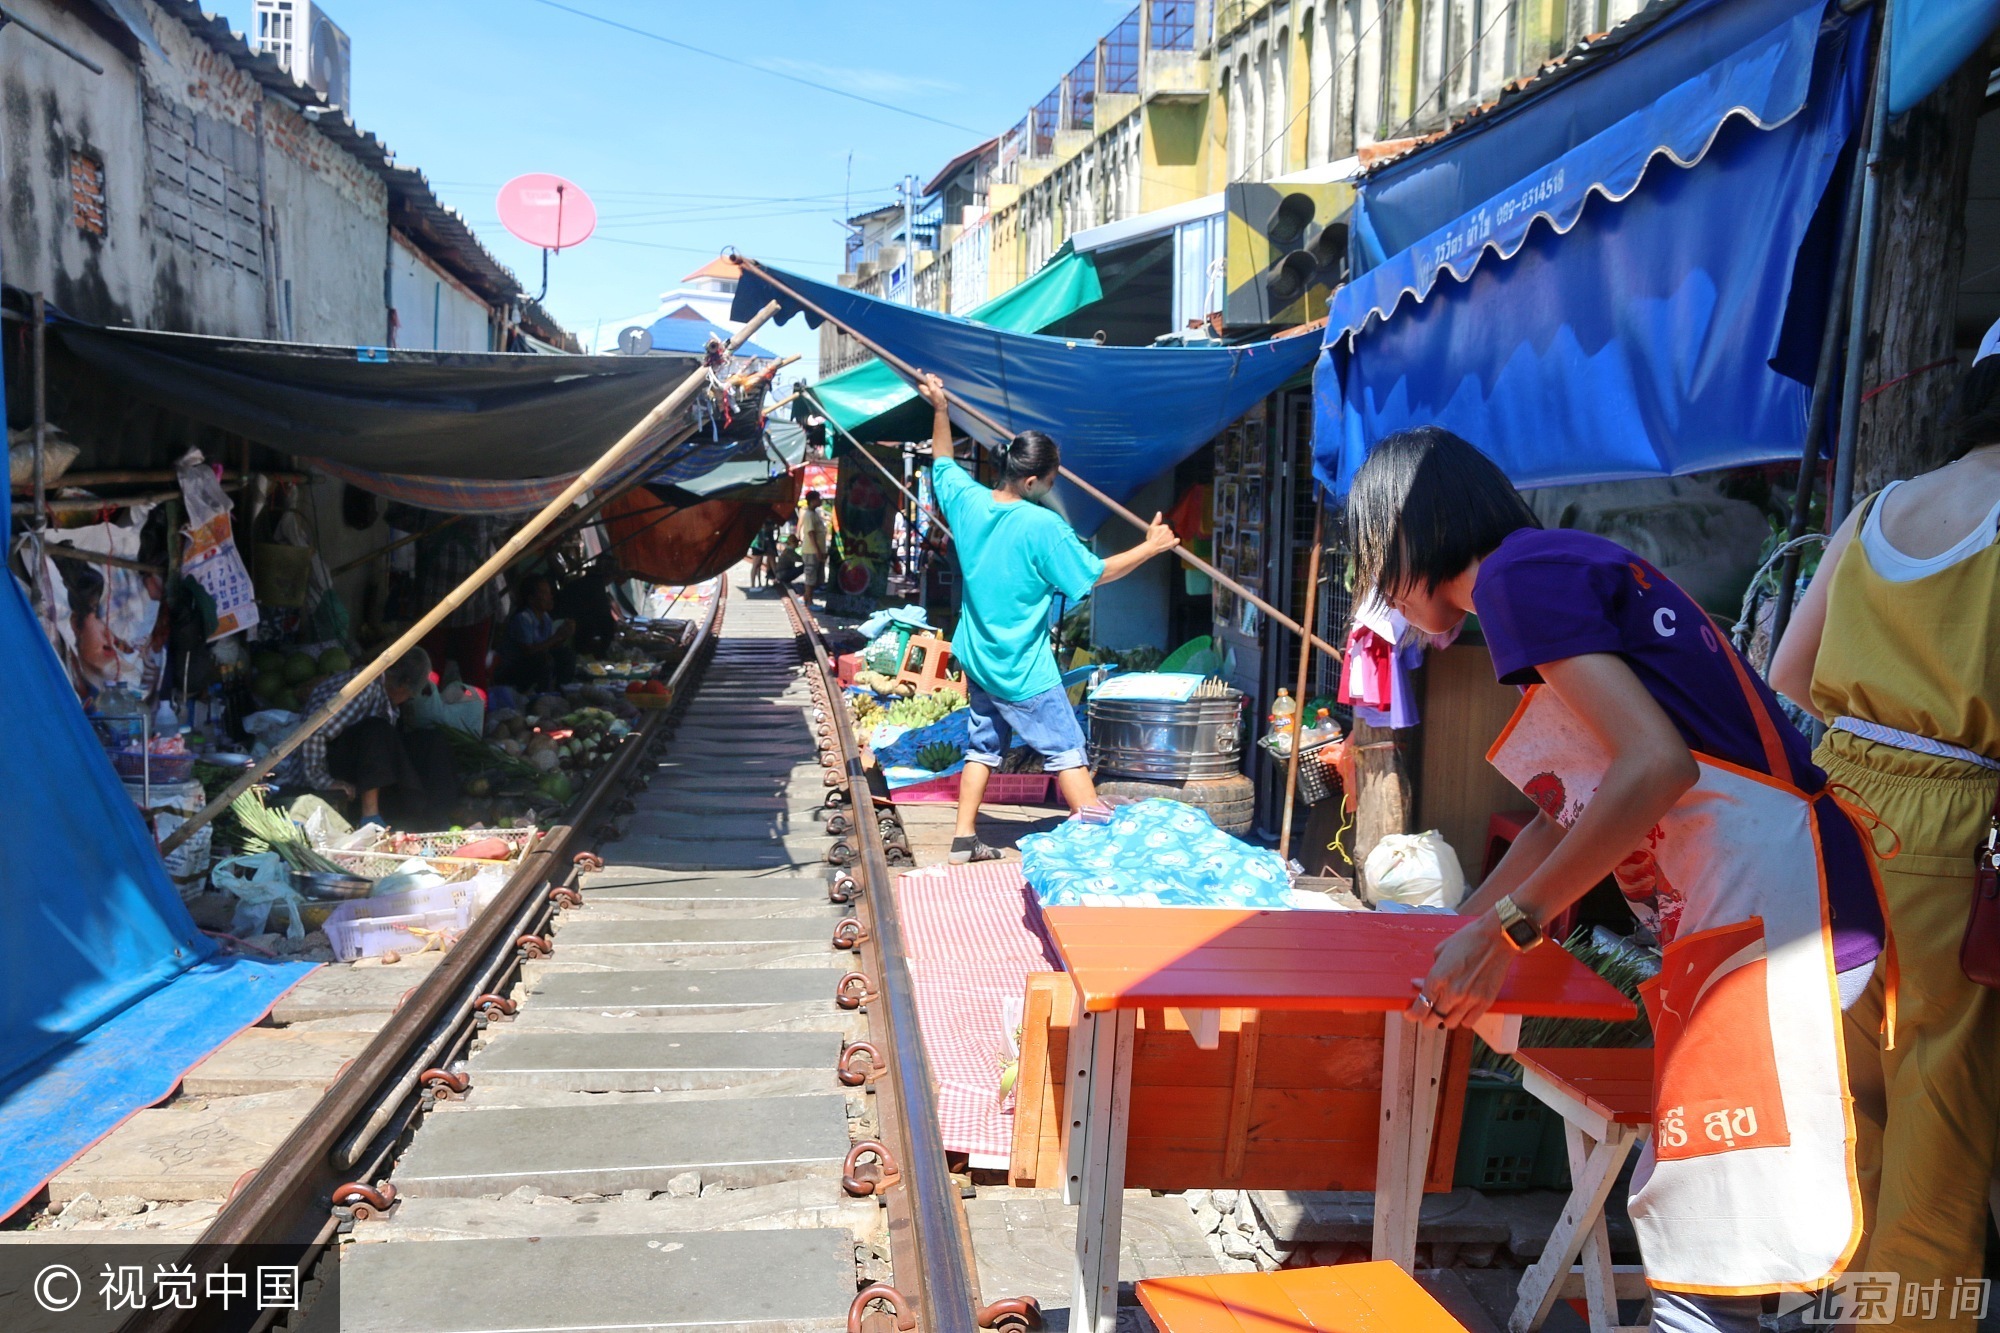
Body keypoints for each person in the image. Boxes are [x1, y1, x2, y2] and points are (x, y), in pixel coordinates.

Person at [1346, 427, 1884, 1333]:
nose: (1382, 595)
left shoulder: (1519, 579)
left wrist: (1509, 928)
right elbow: (1571, 812)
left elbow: (1653, 768)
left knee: (1707, 1237)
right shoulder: (1544, 573)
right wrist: (1444, 938)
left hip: (1776, 915)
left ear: (1411, 532)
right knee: (1739, 1226)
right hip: (1765, 906)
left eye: (1375, 562)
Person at [1769, 336, 2000, 1332]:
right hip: (1956, 832)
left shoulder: (1870, 513)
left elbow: (1784, 677)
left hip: (1837, 812)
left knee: (1842, 1087)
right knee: (1936, 1113)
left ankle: (1831, 1301)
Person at [916, 372, 1179, 864]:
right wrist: (1151, 547)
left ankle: (963, 839)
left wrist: (939, 408)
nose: (1055, 485)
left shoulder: (968, 503)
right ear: (1033, 480)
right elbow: (1094, 574)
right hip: (1022, 667)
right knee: (1066, 750)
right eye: (1053, 479)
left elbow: (943, 461)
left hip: (978, 654)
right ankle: (1102, 852)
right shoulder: (1044, 526)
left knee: (983, 745)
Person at [300, 647, 456, 828]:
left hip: (364, 764)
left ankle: (438, 816)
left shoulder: (387, 695)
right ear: (402, 683)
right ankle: (370, 816)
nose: (407, 699)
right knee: (377, 729)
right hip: (333, 764)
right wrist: (324, 781)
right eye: (408, 694)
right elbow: (313, 731)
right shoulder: (366, 687)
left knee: (432, 740)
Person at [495, 574, 576, 694]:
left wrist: (564, 635)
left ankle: (562, 691)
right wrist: (557, 636)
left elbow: (547, 645)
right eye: (545, 593)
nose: (550, 597)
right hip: (514, 669)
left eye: (549, 592)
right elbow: (529, 651)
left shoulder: (545, 617)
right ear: (531, 599)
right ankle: (540, 695)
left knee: (566, 654)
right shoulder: (523, 618)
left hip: (534, 662)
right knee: (543, 660)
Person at [797, 491, 830, 604]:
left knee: (816, 577)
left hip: (817, 551)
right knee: (811, 576)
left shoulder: (815, 513)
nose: (820, 500)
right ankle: (808, 601)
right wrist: (817, 551)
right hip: (811, 551)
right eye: (818, 499)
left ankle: (807, 598)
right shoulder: (809, 515)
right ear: (812, 501)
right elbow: (811, 534)